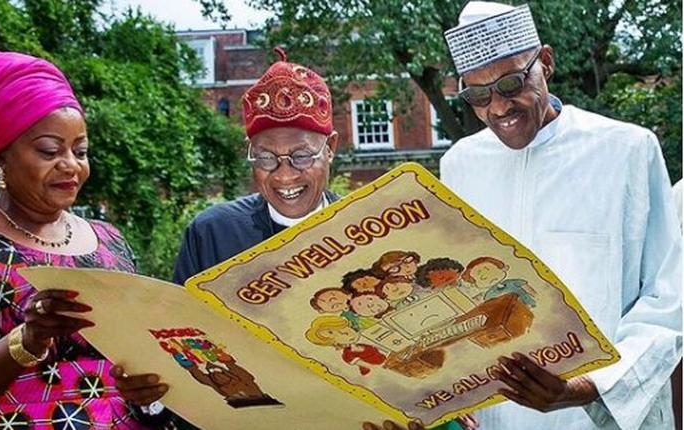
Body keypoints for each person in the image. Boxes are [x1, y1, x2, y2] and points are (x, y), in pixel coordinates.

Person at [174, 48, 475, 430]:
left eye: (301, 156)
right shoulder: (212, 233)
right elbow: (180, 347)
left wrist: (448, 389)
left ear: (330, 148)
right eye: (266, 158)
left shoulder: (374, 233)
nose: (284, 176)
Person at [438, 2, 682, 429]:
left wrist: (587, 387)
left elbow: (669, 298)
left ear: (545, 63)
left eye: (512, 84)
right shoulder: (459, 165)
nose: (498, 108)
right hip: (498, 416)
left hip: (599, 414)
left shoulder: (626, 151)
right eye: (478, 96)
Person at [0, 50, 172, 429]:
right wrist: (25, 341)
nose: (71, 165)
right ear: (1, 156)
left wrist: (150, 394)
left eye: (80, 151)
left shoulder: (110, 242)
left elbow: (137, 361)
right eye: (50, 150)